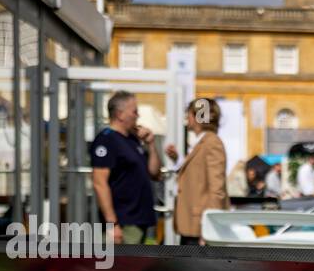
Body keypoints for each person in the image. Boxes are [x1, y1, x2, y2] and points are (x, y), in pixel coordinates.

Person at [90, 90, 161, 244]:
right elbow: (99, 183)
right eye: (134, 112)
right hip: (122, 223)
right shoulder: (107, 140)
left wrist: (151, 144)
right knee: (118, 267)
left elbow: (154, 173)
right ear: (120, 114)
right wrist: (112, 224)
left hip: (138, 221)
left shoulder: (132, 140)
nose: (138, 116)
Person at [168, 97, 228, 246]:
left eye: (189, 114)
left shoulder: (211, 143)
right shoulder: (202, 142)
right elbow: (197, 173)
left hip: (201, 227)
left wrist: (209, 229)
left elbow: (216, 189)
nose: (187, 118)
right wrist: (178, 160)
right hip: (193, 225)